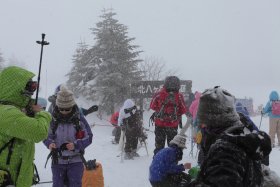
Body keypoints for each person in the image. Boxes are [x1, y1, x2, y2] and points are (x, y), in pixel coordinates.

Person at [187, 86, 272, 187]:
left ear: (215, 120)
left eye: (204, 121)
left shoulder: (225, 152)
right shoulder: (241, 134)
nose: (202, 126)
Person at [0, 66, 51, 187]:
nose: (32, 91)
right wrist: (42, 113)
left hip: (16, 178)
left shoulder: (13, 111)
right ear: (14, 87)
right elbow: (39, 132)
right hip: (9, 179)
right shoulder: (6, 113)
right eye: (28, 86)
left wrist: (28, 107)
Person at [43, 87, 93, 187]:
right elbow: (45, 135)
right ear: (57, 106)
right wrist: (50, 143)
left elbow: (89, 137)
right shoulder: (52, 119)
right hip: (58, 161)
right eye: (61, 109)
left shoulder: (79, 119)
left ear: (72, 105)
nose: (64, 111)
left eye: (67, 109)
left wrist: (76, 145)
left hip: (76, 161)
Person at [150, 76, 188, 156]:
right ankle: (172, 162)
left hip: (160, 124)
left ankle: (157, 162)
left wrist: (160, 109)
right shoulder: (179, 96)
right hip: (173, 125)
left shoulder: (158, 94)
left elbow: (152, 106)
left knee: (159, 145)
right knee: (172, 145)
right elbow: (183, 110)